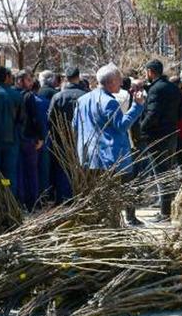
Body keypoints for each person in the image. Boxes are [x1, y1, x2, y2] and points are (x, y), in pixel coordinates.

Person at [73, 63, 145, 225]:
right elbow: (122, 125)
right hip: (111, 157)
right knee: (118, 191)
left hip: (88, 156)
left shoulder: (82, 100)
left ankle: (98, 222)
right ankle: (117, 221)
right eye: (119, 80)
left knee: (96, 194)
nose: (121, 83)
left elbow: (75, 126)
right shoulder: (109, 102)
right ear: (112, 82)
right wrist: (137, 106)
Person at [139, 60, 182, 222]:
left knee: (161, 174)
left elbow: (152, 114)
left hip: (157, 137)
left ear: (150, 71)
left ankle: (165, 214)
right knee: (168, 173)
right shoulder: (173, 87)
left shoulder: (156, 89)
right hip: (172, 134)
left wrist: (141, 130)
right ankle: (166, 211)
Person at [47, 67, 89, 202]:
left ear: (66, 78)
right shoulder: (86, 96)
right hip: (82, 139)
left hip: (62, 139)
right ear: (79, 77)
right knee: (81, 169)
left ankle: (63, 199)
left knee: (62, 169)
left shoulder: (58, 96)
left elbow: (50, 119)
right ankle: (79, 198)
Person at [0, 66, 25, 198]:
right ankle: (9, 202)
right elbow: (22, 120)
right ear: (7, 77)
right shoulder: (16, 95)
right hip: (11, 141)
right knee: (9, 175)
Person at [14, 70, 46, 211]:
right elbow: (35, 118)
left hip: (16, 139)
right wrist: (40, 137)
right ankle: (33, 202)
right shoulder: (28, 96)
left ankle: (21, 201)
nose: (31, 83)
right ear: (20, 81)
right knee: (31, 172)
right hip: (29, 139)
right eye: (28, 80)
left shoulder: (13, 94)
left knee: (19, 171)